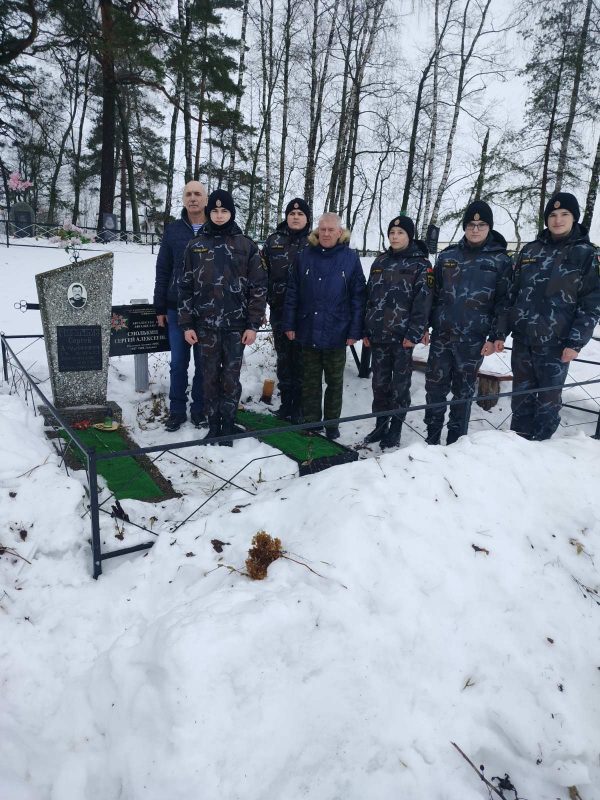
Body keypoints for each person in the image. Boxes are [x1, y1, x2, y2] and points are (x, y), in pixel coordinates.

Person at [507, 192, 600, 440]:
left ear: (574, 218)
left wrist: (575, 342)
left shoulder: (586, 254)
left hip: (556, 344)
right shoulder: (530, 250)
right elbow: (513, 293)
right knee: (521, 399)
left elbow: (591, 303)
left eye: (564, 215)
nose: (558, 220)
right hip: (524, 341)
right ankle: (517, 446)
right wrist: (501, 331)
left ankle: (541, 449)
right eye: (553, 215)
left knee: (548, 402)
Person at [178, 189, 267, 446]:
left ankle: (228, 425)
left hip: (236, 327)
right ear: (209, 212)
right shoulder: (195, 246)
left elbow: (258, 287)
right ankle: (213, 424)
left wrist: (253, 324)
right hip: (204, 325)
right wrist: (186, 324)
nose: (219, 215)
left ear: (231, 213)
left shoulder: (246, 245)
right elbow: (184, 286)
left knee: (230, 378)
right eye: (215, 211)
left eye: (224, 211)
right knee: (208, 378)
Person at [424, 200, 512, 445]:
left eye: (481, 224)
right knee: (435, 390)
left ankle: (455, 441)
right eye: (471, 224)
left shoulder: (501, 261)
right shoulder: (448, 255)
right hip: (442, 336)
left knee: (463, 393)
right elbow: (433, 294)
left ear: (489, 227)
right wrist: (424, 326)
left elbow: (504, 302)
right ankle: (430, 439)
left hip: (473, 340)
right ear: (464, 227)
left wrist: (497, 336)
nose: (475, 229)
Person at [282, 212, 366, 440]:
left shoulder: (350, 259)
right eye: (323, 229)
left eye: (331, 230)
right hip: (307, 329)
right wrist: (289, 322)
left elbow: (358, 296)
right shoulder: (304, 256)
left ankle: (331, 424)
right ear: (317, 231)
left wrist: (354, 330)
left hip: (337, 332)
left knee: (334, 382)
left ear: (340, 232)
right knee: (309, 381)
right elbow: (292, 292)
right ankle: (311, 422)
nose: (326, 234)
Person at [363, 215, 433, 449]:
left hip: (402, 338)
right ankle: (380, 425)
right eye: (392, 232)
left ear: (409, 236)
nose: (395, 236)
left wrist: (413, 333)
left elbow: (423, 302)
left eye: (400, 233)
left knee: (399, 386)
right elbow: (369, 297)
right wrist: (366, 329)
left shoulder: (420, 264)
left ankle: (395, 429)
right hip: (378, 335)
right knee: (379, 385)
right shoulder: (380, 261)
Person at [153, 181, 207, 432]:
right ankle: (176, 410)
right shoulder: (173, 230)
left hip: (207, 309)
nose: (193, 198)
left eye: (197, 194)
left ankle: (199, 409)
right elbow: (163, 269)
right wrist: (160, 307)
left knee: (204, 363)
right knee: (178, 362)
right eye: (188, 194)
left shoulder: (215, 228)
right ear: (183, 199)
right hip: (176, 308)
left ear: (205, 199)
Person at [261, 198, 311, 423]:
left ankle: (299, 407)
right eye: (292, 214)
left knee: (302, 360)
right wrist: (260, 307)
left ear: (307, 218)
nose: (295, 217)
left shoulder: (315, 243)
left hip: (307, 314)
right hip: (280, 310)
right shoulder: (273, 242)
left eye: (300, 215)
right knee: (284, 359)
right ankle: (286, 403)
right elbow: (260, 277)